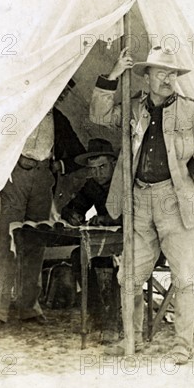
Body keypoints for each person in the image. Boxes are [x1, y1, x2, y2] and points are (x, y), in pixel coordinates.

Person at [90, 46, 194, 360]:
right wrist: (113, 76)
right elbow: (98, 115)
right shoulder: (133, 107)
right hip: (139, 200)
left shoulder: (192, 110)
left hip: (178, 201)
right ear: (147, 76)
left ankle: (183, 345)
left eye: (172, 74)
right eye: (161, 73)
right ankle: (134, 339)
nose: (168, 79)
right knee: (128, 277)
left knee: (183, 277)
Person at [0, 81, 85, 331]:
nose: (59, 94)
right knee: (8, 242)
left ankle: (29, 307)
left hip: (43, 180)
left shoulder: (58, 119)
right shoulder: (20, 111)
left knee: (35, 242)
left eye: (63, 91)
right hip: (17, 175)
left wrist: (58, 166)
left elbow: (78, 155)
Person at [61, 139, 121, 343]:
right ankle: (97, 313)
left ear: (114, 163)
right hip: (107, 244)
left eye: (103, 167)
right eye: (93, 169)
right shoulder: (93, 185)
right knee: (79, 256)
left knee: (119, 263)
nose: (98, 173)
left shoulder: (126, 182)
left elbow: (138, 213)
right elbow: (70, 207)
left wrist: (109, 219)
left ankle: (113, 321)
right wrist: (72, 215)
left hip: (137, 243)